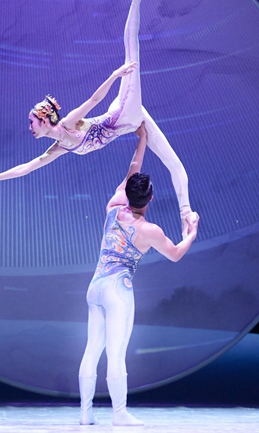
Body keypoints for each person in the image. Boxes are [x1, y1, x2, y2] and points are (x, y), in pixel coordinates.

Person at [0, 0, 195, 235]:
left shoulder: (68, 123)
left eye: (32, 122)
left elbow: (93, 100)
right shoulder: (58, 148)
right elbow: (27, 168)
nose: (30, 127)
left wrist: (115, 75)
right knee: (175, 164)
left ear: (44, 119)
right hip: (133, 122)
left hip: (124, 112)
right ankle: (187, 217)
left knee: (131, 54)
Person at [78, 123, 199, 426]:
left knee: (92, 350)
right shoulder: (149, 230)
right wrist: (192, 233)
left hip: (95, 286)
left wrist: (142, 140)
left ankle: (85, 414)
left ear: (128, 193)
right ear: (151, 198)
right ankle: (119, 414)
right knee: (116, 354)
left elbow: (133, 170)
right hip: (117, 291)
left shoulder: (114, 206)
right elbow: (175, 254)